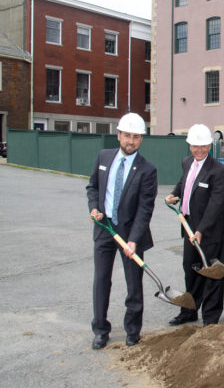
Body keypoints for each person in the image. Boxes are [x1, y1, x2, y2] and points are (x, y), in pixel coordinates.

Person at [86, 113, 157, 349]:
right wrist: (94, 207)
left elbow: (145, 209)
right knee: (101, 280)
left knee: (134, 284)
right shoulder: (103, 157)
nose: (131, 141)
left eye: (136, 137)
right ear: (118, 135)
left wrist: (134, 240)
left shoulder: (147, 169)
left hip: (130, 233)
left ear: (141, 140)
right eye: (127, 135)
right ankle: (100, 329)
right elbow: (93, 187)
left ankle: (132, 331)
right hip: (104, 228)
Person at [165, 124, 224, 327]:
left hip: (210, 231)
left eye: (203, 146)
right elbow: (184, 181)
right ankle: (189, 311)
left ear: (210, 146)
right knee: (190, 270)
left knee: (212, 274)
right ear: (189, 146)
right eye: (195, 146)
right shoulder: (187, 162)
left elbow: (216, 204)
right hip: (189, 225)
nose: (199, 150)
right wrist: (174, 193)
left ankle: (210, 318)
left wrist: (201, 230)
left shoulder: (218, 170)